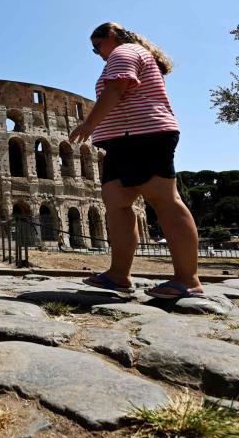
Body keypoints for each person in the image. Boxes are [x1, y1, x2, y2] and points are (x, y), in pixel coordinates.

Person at [71, 21, 203, 299]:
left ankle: (188, 281)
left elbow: (117, 88)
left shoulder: (126, 51)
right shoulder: (129, 53)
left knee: (165, 200)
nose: (97, 54)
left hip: (143, 134)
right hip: (123, 139)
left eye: (97, 47)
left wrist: (89, 124)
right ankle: (118, 276)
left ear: (110, 36)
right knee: (116, 202)